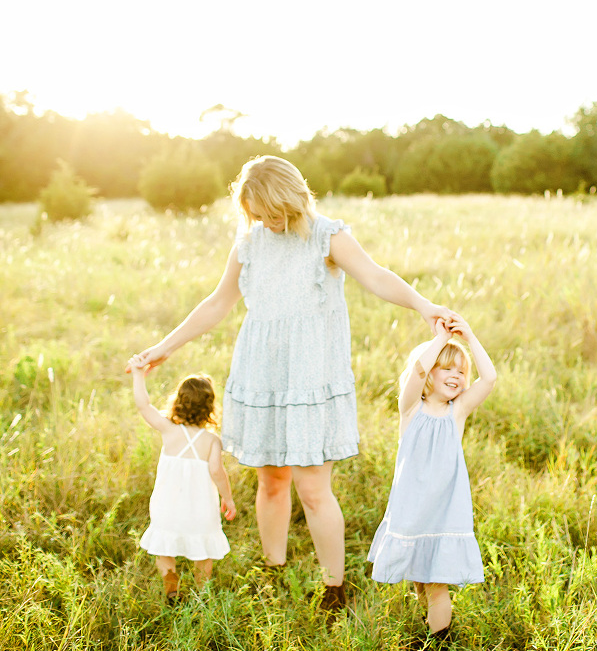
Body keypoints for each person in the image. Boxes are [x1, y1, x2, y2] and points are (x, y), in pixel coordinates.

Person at [130, 155, 455, 611]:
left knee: (314, 490)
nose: (267, 221)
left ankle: (334, 587)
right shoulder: (249, 244)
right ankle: (273, 569)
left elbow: (376, 277)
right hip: (261, 375)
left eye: (272, 211)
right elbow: (216, 304)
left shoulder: (328, 236)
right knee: (272, 482)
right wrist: (165, 346)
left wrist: (425, 306)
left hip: (310, 379)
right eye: (257, 214)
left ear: (294, 196)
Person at [367, 314, 496, 649]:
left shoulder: (458, 411)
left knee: (436, 587)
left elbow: (490, 378)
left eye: (461, 371)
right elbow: (416, 373)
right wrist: (440, 339)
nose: (456, 376)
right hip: (412, 512)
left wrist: (469, 337)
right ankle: (429, 632)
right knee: (420, 583)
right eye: (447, 368)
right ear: (431, 375)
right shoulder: (411, 408)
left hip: (443, 513)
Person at [127, 357, 236, 604]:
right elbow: (218, 472)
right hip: (200, 510)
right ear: (210, 408)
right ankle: (200, 594)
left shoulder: (169, 430)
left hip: (168, 507)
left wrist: (137, 374)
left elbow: (144, 406)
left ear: (178, 401)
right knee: (203, 552)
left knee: (165, 547)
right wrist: (227, 498)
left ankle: (171, 586)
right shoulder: (211, 441)